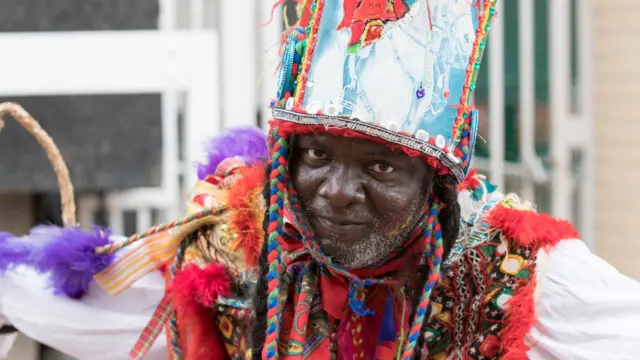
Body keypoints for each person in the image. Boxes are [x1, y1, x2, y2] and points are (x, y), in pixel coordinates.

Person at [2, 1, 640, 360]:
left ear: (437, 182)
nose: (336, 191)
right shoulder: (238, 251)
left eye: (381, 166)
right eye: (316, 158)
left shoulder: (517, 269)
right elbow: (54, 297)